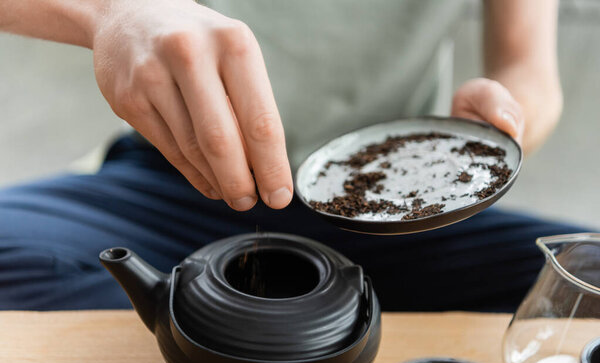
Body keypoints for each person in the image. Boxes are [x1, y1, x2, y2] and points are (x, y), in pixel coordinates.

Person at [0, 0, 580, 311]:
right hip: (179, 183)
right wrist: (113, 12)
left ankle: (229, 325)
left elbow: (527, 71)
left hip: (399, 211)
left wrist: (497, 125)